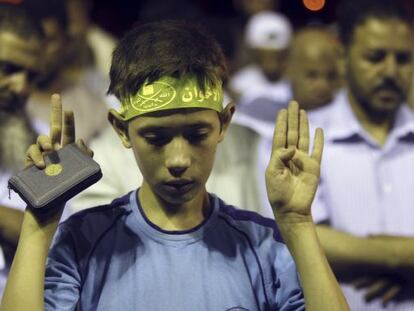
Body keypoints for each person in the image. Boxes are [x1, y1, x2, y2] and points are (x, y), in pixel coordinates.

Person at [0, 20, 348, 310]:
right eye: (156, 138)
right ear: (122, 130)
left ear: (224, 125)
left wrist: (298, 224)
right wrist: (39, 224)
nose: (179, 160)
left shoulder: (263, 246)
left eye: (197, 135)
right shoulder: (83, 242)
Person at [308, 0, 414, 310]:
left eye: (404, 58)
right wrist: (402, 259)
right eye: (375, 57)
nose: (391, 71)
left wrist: (359, 254)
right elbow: (301, 238)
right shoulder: (306, 138)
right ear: (342, 58)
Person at [232, 25, 342, 217]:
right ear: (289, 69)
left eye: (330, 76)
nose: (323, 85)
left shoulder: (349, 119)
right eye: (312, 75)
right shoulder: (258, 109)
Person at [0, 3, 46, 299]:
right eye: (8, 69)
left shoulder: (42, 142)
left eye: (32, 77)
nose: (22, 88)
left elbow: (61, 247)